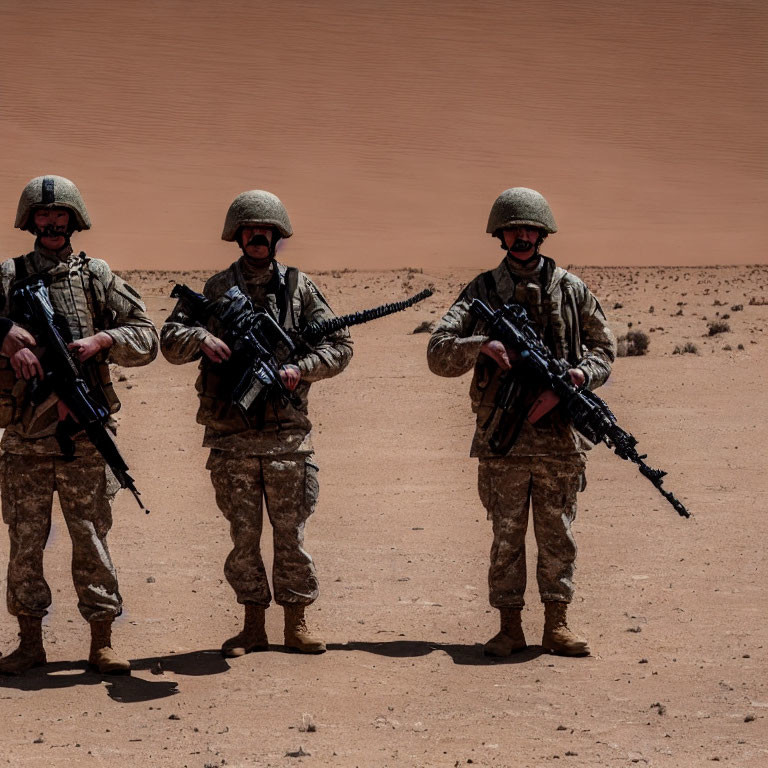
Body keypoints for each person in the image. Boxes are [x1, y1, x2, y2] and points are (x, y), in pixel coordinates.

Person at [161, 189, 352, 656]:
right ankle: (252, 625)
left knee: (291, 536)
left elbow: (340, 345)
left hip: (287, 438)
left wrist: (300, 369)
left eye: (265, 231)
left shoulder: (299, 288)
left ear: (277, 236)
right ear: (238, 236)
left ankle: (297, 623)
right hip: (232, 438)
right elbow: (169, 339)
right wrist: (201, 337)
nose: (258, 238)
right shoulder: (215, 288)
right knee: (242, 538)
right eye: (250, 231)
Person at [427, 188, 616, 657]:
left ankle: (558, 624)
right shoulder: (482, 292)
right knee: (506, 536)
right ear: (501, 234)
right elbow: (438, 351)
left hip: (559, 440)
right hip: (502, 441)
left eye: (530, 229)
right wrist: (481, 347)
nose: (522, 236)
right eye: (513, 230)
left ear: (543, 233)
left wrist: (574, 378)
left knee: (558, 536)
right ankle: (509, 627)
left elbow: (604, 350)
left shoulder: (572, 290)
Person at [0, 175, 158, 675]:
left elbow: (147, 335)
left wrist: (103, 341)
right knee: (25, 540)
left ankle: (102, 640)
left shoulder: (96, 275)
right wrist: (6, 335)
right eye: (43, 217)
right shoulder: (8, 275)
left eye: (60, 216)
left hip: (84, 439)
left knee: (90, 537)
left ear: (73, 220)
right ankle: (29, 642)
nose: (51, 224)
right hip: (25, 437)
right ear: (30, 222)